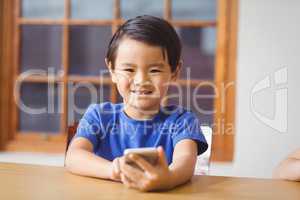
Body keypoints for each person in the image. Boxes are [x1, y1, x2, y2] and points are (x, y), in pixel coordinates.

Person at [65, 15, 208, 191]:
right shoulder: (98, 115)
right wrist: (113, 170)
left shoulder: (182, 120)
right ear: (112, 70)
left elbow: (185, 163)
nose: (141, 80)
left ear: (174, 72)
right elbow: (73, 157)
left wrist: (168, 179)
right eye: (129, 69)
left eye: (154, 70)